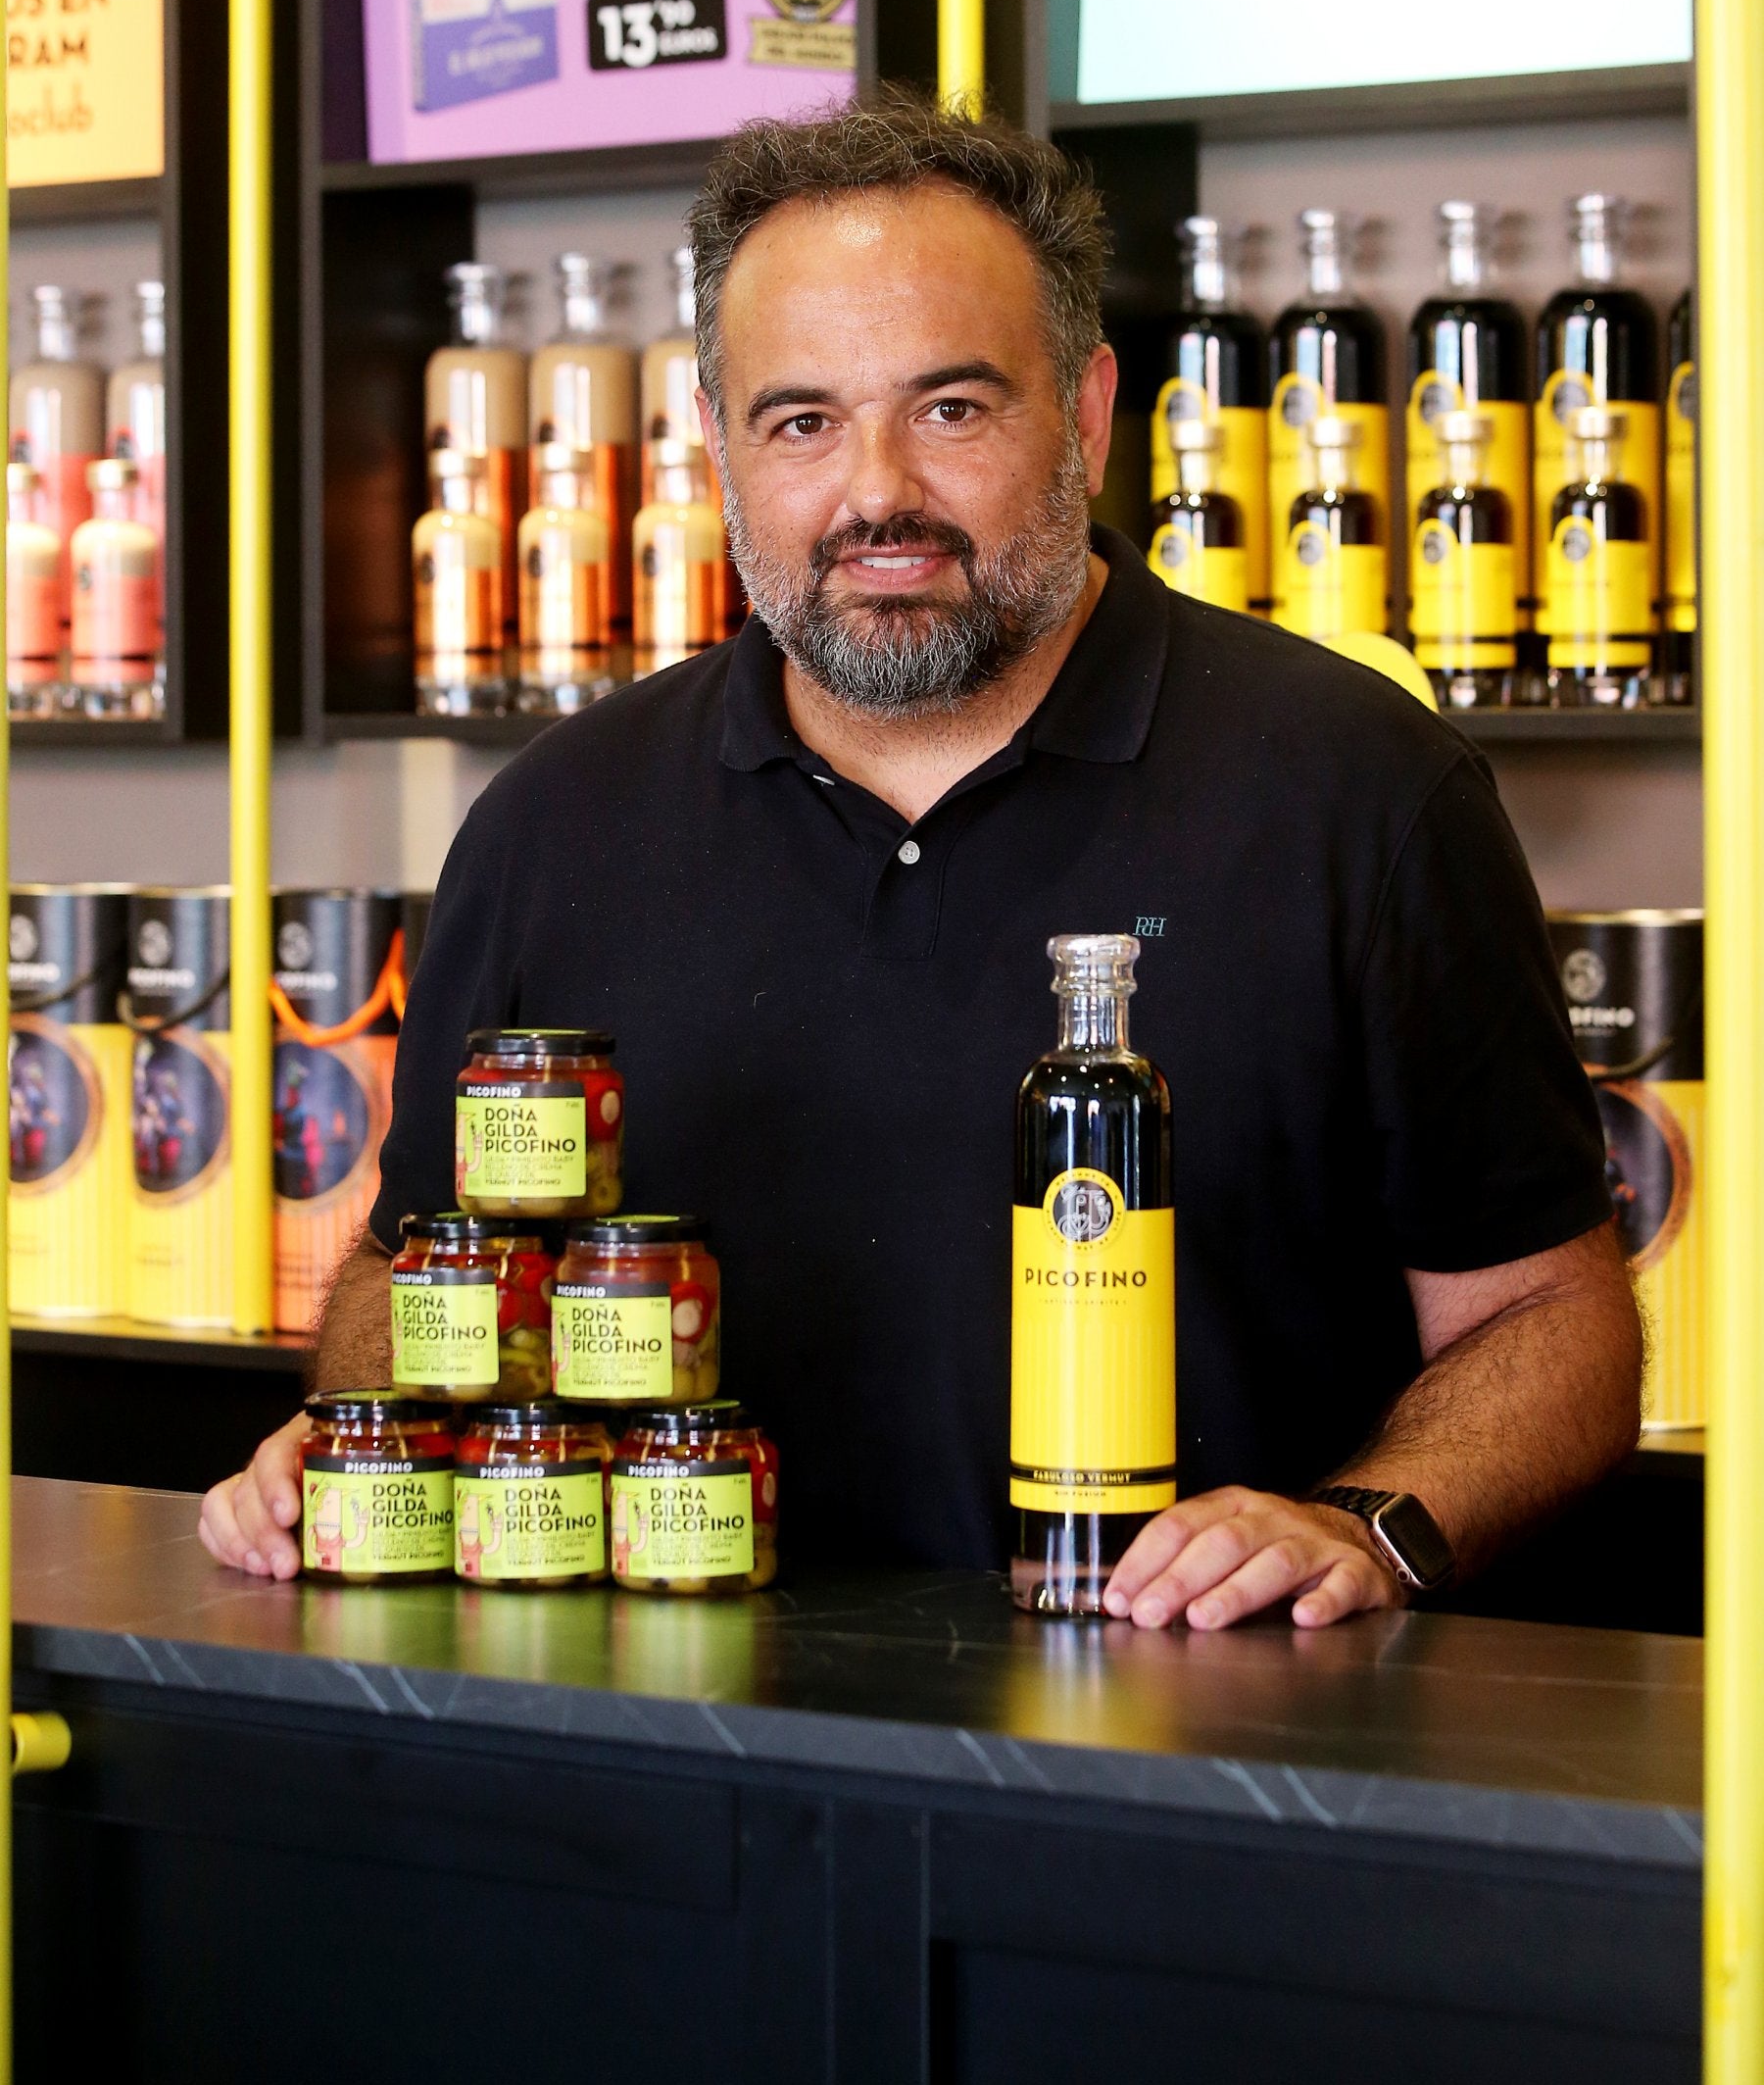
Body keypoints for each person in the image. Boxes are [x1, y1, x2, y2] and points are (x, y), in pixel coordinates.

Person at [201, 95, 1641, 1629]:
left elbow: (1554, 1321)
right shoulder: (552, 825)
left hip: (1205, 1762)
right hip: (673, 1759)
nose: (875, 491)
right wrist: (366, 1440)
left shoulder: (1359, 789)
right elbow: (406, 1268)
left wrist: (1366, 1529)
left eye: (951, 409)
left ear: (1087, 416)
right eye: (802, 420)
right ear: (717, 442)